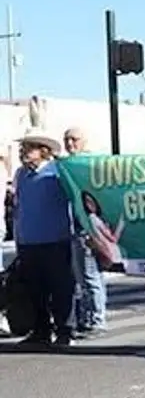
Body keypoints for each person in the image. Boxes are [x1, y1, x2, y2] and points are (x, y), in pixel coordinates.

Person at [12, 132, 77, 348]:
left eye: (29, 148)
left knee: (60, 288)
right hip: (28, 242)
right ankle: (40, 330)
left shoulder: (58, 172)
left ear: (43, 151)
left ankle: (65, 331)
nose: (24, 153)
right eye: (23, 149)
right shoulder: (21, 174)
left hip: (55, 240)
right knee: (35, 290)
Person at [63, 128, 108, 335]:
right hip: (75, 231)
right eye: (67, 139)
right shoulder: (66, 166)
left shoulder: (89, 165)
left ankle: (97, 320)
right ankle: (89, 317)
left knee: (91, 277)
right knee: (83, 279)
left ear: (84, 141)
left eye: (74, 139)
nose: (70, 143)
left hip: (88, 232)